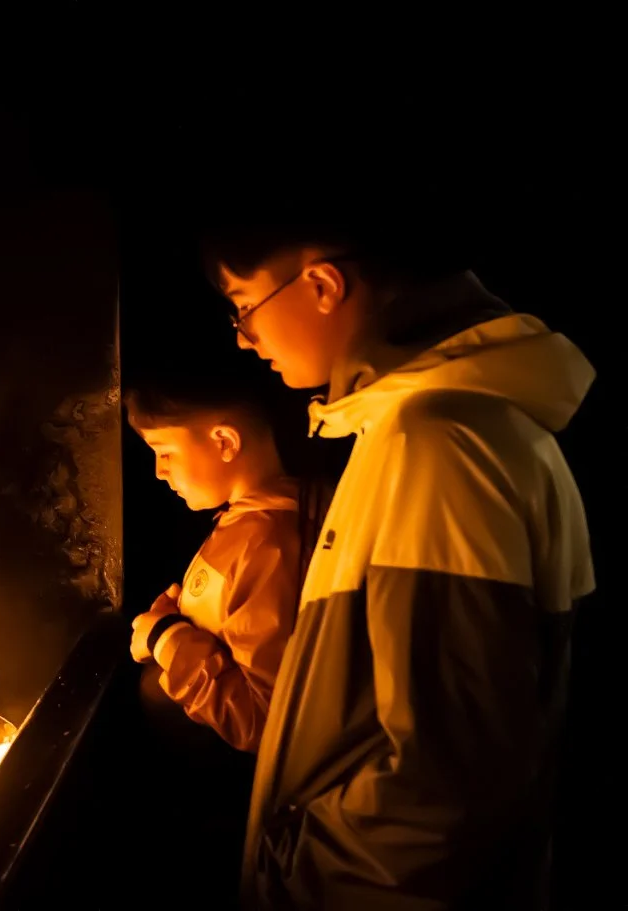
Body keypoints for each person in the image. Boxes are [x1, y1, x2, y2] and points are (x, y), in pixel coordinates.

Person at [202, 219, 595, 909]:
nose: (241, 335)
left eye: (243, 304)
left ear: (320, 284)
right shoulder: (437, 430)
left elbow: (450, 784)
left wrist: (302, 869)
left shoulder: (438, 446)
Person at [126, 384, 310, 754]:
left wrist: (165, 637)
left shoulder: (267, 543)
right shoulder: (242, 522)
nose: (159, 472)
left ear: (224, 441)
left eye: (164, 452)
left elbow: (262, 719)